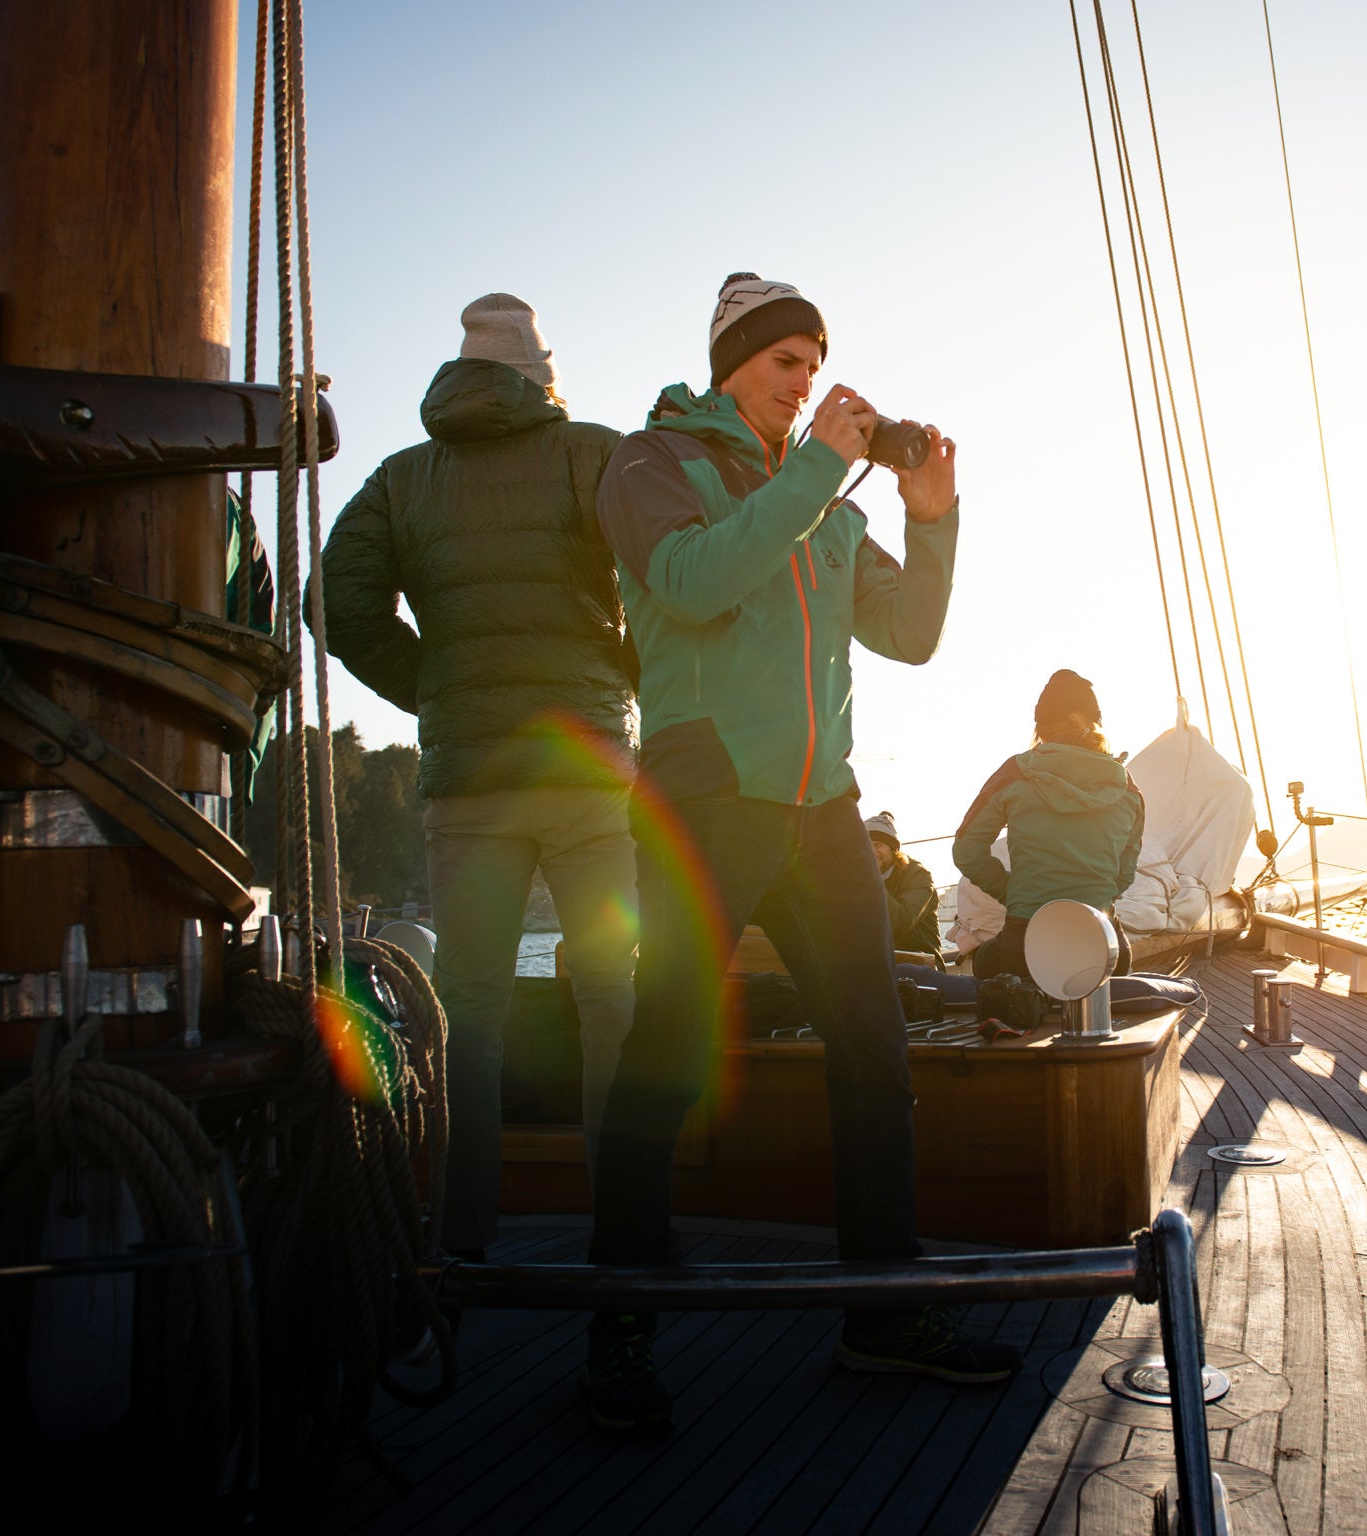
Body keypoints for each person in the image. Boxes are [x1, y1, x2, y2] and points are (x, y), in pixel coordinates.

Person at [587, 272, 1018, 1433]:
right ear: (733, 361)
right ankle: (617, 1332)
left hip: (822, 809)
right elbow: (687, 583)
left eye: (817, 361)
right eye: (787, 360)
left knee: (875, 1055)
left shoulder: (826, 500)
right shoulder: (651, 461)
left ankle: (882, 1312)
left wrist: (933, 519)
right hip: (705, 798)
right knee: (666, 1057)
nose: (807, 380)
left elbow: (909, 635)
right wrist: (818, 470)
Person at [320, 294, 638, 1264]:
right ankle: (625, 1235)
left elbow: (331, 602)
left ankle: (460, 1246)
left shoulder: (402, 478)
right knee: (609, 995)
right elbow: (664, 585)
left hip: (471, 780)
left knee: (469, 1013)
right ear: (541, 378)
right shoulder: (594, 454)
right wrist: (621, 682)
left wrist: (434, 688)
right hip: (587, 771)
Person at [953, 670, 1144, 981]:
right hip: (1103, 950)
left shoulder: (1016, 772)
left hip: (1023, 949)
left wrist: (1013, 890)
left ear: (1040, 727)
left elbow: (966, 849)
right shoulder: (1128, 789)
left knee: (986, 962)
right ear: (1096, 723)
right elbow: (1124, 876)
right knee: (1116, 973)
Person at [863, 810, 941, 954]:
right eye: (866, 845)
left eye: (877, 844)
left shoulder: (919, 876)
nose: (871, 851)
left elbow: (900, 922)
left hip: (919, 961)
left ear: (893, 849)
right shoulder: (860, 878)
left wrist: (872, 879)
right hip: (878, 961)